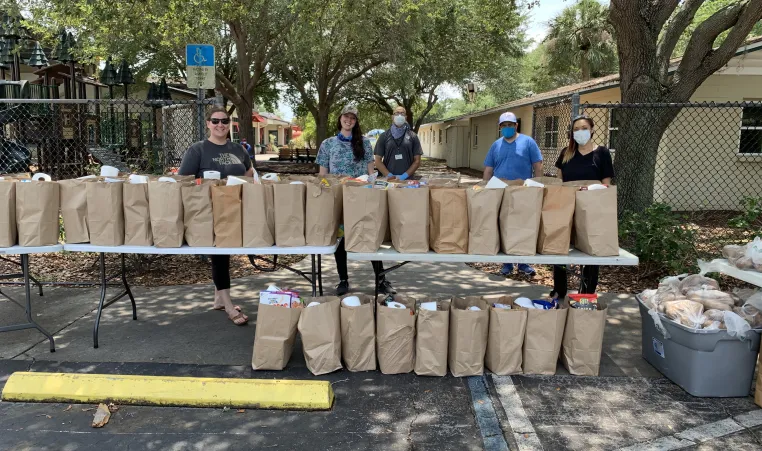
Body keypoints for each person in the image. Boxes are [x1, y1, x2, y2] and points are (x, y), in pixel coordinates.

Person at [178, 106, 253, 326]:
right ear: (208, 124)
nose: (220, 125)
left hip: (235, 207)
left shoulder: (239, 149)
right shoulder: (197, 149)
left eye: (225, 121)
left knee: (225, 252)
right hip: (208, 210)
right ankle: (229, 305)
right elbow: (185, 180)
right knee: (220, 254)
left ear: (230, 124)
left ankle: (218, 299)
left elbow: (248, 172)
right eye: (215, 121)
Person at [317, 105, 395, 296]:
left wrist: (375, 188)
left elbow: (371, 172)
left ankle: (381, 279)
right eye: (346, 116)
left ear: (356, 121)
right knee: (341, 240)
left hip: (360, 198)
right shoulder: (328, 144)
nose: (349, 120)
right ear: (340, 118)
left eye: (353, 118)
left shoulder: (365, 144)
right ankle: (343, 279)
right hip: (337, 199)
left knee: (368, 236)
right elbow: (322, 175)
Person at [552, 114, 614, 300]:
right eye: (576, 129)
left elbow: (606, 184)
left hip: (592, 208)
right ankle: (559, 289)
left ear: (593, 129)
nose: (580, 132)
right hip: (567, 207)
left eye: (584, 128)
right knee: (560, 246)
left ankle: (586, 292)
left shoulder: (601, 153)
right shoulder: (566, 153)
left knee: (591, 250)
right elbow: (559, 181)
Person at [483, 111, 542, 277]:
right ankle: (507, 264)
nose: (507, 128)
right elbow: (488, 169)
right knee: (503, 224)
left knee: (522, 224)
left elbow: (538, 165)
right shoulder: (496, 145)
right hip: (499, 190)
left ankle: (523, 263)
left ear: (516, 125)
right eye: (504, 126)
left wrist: (537, 186)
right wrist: (484, 189)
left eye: (510, 125)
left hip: (522, 191)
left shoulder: (528, 142)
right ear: (500, 128)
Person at [374, 106, 423, 180]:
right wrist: (389, 176)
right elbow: (377, 160)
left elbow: (417, 161)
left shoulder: (413, 136)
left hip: (408, 180)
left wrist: (404, 176)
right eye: (397, 113)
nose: (399, 115)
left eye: (402, 113)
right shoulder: (384, 136)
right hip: (388, 181)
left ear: (406, 117)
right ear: (392, 117)